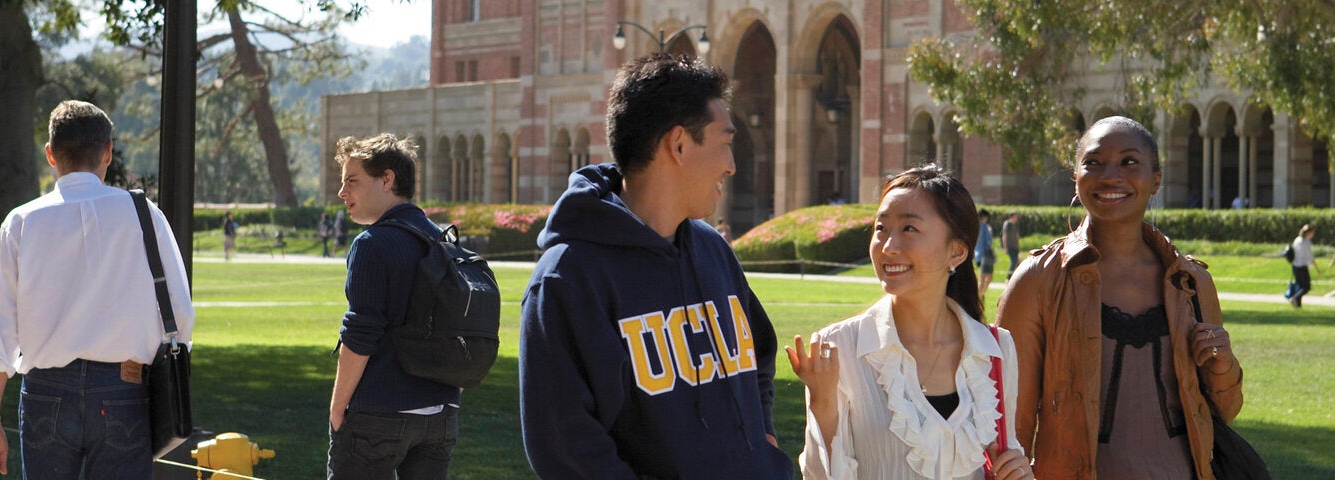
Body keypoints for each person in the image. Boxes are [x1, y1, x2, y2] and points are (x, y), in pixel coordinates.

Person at [518, 53, 793, 478]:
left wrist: (764, 444)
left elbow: (758, 355)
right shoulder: (568, 278)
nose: (731, 165)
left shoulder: (712, 248)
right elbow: (568, 449)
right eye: (725, 143)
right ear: (679, 144)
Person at [996, 116, 1246, 479]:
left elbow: (1223, 411)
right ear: (1076, 178)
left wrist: (1223, 368)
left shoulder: (1191, 282)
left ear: (1156, 180)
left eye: (1129, 162)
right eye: (1093, 163)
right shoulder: (1038, 280)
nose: (1110, 176)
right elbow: (1009, 423)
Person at [0, 100, 196, 479]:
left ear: (50, 154)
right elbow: (180, 314)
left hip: (46, 391)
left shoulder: (21, 222)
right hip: (125, 388)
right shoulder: (146, 215)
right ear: (108, 152)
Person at [787, 165, 1033, 480]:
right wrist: (822, 403)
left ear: (957, 252)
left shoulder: (996, 350)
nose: (888, 246)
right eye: (881, 228)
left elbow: (1006, 454)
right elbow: (820, 476)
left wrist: (1019, 472)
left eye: (909, 229)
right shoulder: (838, 348)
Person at [327, 133, 462, 479]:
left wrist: (338, 408)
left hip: (379, 413)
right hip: (441, 415)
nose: (342, 192)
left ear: (387, 180)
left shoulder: (372, 244)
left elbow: (360, 335)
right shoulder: (444, 240)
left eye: (352, 181)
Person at [1285, 224, 1319, 308]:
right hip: (1302, 266)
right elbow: (1310, 257)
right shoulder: (1306, 242)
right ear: (1309, 233)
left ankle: (1298, 305)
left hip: (1295, 266)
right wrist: (1316, 268)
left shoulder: (1297, 240)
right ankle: (1295, 298)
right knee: (1306, 287)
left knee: (1300, 286)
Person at [975, 208, 997, 297]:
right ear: (983, 216)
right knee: (987, 278)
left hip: (977, 255)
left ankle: (979, 296)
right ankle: (979, 296)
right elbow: (989, 241)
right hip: (985, 254)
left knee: (982, 277)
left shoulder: (974, 225)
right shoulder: (984, 226)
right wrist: (994, 253)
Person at [1001, 211, 1021, 276]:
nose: (1016, 218)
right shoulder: (1007, 224)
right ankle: (1009, 277)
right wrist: (1005, 248)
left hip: (1015, 247)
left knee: (1018, 262)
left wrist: (1018, 247)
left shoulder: (1016, 224)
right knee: (1014, 261)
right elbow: (1004, 236)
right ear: (1012, 217)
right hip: (1010, 246)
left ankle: (1016, 277)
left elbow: (1017, 236)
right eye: (1015, 216)